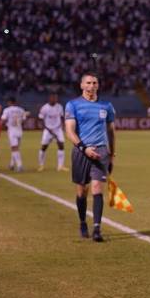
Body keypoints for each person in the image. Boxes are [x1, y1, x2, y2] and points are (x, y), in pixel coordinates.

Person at [64, 73, 117, 242]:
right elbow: (70, 131)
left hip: (101, 152)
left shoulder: (106, 106)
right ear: (81, 85)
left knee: (96, 189)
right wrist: (84, 148)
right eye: (88, 83)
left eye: (95, 82)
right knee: (82, 192)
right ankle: (82, 222)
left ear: (98, 85)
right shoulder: (73, 105)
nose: (92, 85)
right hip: (81, 152)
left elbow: (111, 131)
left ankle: (97, 229)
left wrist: (112, 153)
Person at [38, 92, 67, 171]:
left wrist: (62, 126)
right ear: (49, 98)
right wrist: (47, 129)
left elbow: (61, 117)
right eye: (53, 98)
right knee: (44, 146)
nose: (55, 99)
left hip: (57, 129)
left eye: (56, 98)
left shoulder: (59, 107)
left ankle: (60, 166)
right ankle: (41, 165)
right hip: (48, 129)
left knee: (61, 145)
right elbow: (41, 119)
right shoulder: (44, 108)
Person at [1, 97, 27, 172]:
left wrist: (1, 126)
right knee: (15, 148)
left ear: (9, 102)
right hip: (19, 130)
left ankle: (19, 165)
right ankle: (12, 164)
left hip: (12, 131)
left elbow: (3, 119)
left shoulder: (7, 110)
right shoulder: (21, 110)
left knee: (14, 148)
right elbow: (24, 120)